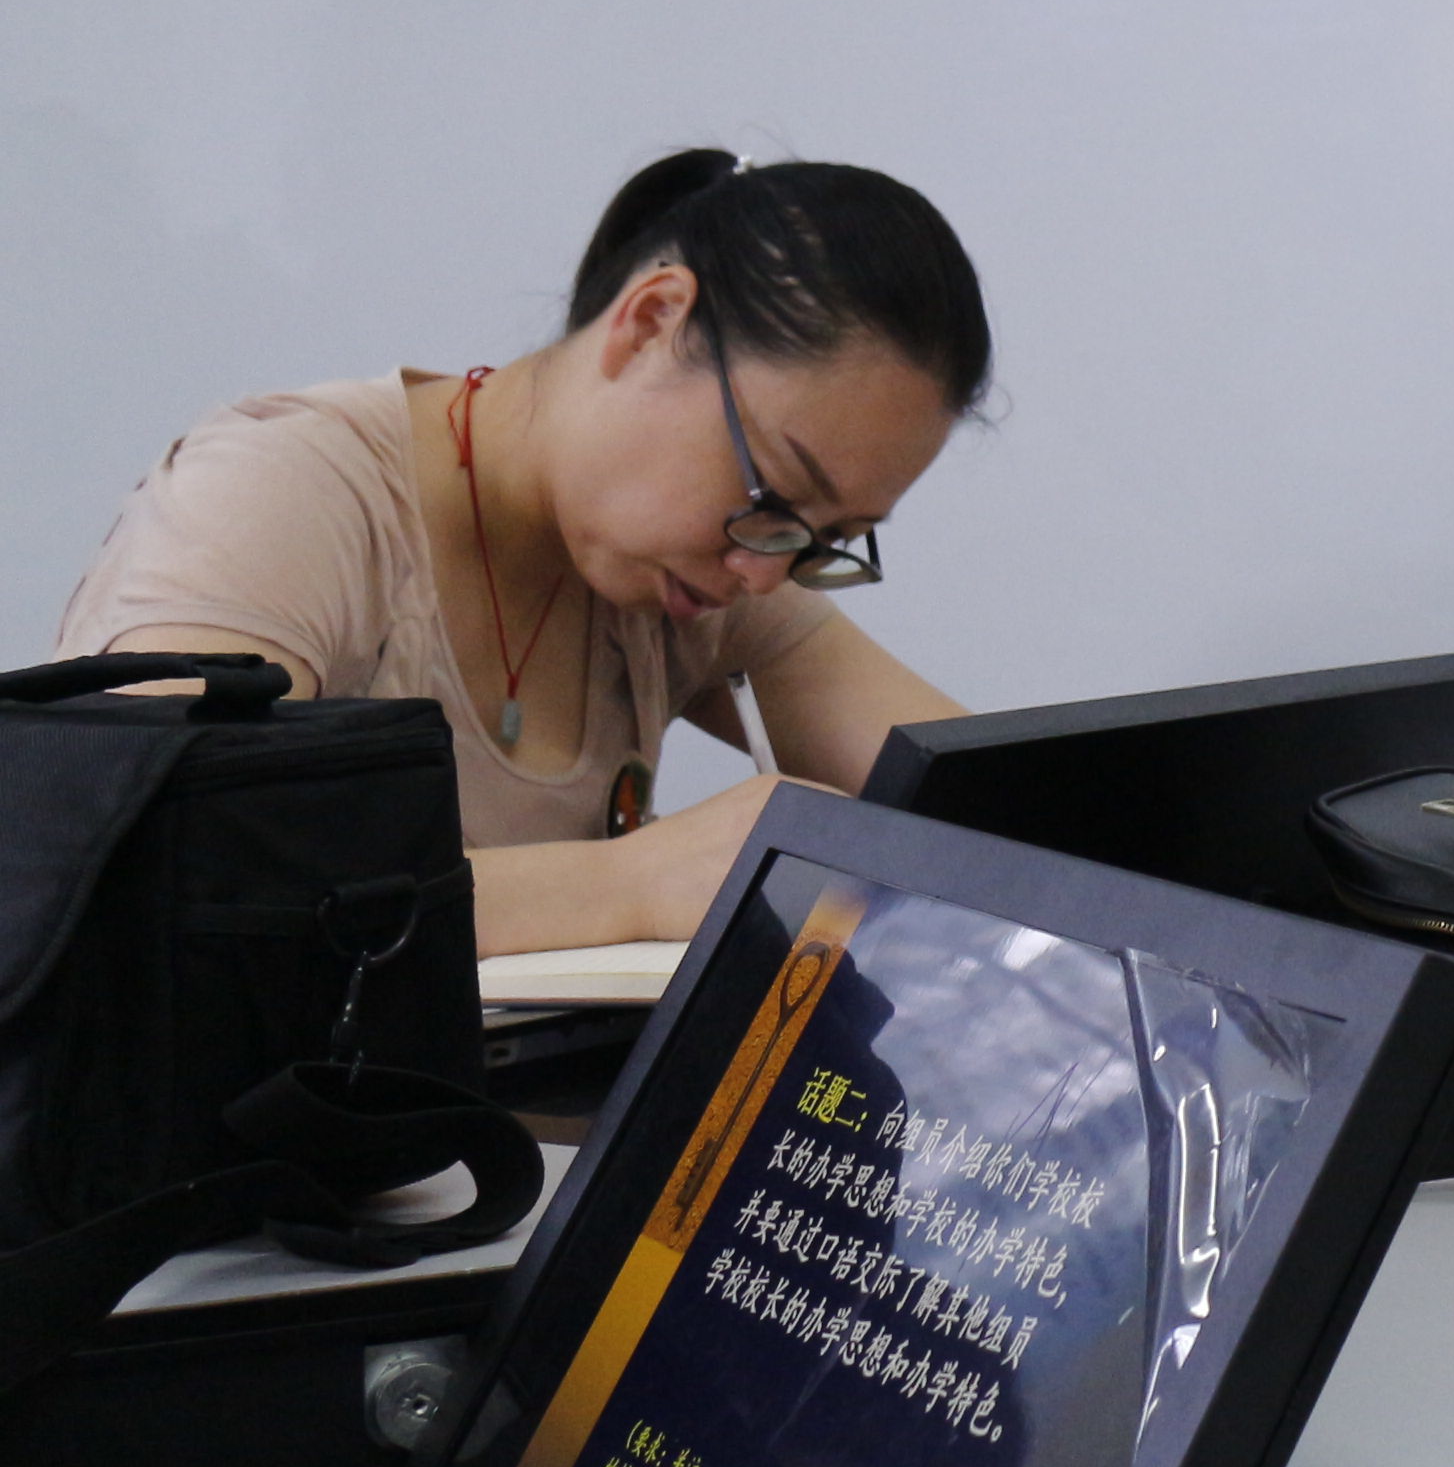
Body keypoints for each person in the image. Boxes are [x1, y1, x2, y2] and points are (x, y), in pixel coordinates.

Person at [55, 149, 985, 956]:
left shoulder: (699, 576)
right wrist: (634, 883)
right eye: (773, 495)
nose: (765, 571)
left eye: (826, 539)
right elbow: (150, 870)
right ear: (650, 323)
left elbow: (994, 805)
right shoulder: (290, 492)